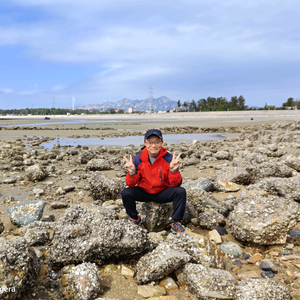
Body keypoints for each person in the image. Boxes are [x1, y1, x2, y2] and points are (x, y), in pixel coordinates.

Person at [121, 129, 186, 233]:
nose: (153, 145)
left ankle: (176, 222)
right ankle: (135, 218)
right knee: (126, 192)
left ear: (162, 143)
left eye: (157, 142)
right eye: (150, 142)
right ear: (145, 143)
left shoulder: (169, 158)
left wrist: (173, 171)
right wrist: (132, 173)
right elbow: (131, 184)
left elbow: (176, 184)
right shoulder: (138, 159)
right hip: (145, 192)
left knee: (181, 191)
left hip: (162, 193)